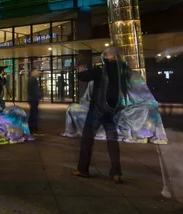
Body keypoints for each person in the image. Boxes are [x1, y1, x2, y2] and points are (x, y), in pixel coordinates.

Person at [70, 47, 167, 183]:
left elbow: (83, 77)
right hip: (112, 110)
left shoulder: (101, 70)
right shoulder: (124, 72)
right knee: (112, 141)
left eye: (107, 53)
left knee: (87, 139)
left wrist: (80, 71)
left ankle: (83, 169)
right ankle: (116, 173)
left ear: (110, 56)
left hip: (97, 110)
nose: (105, 55)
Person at [27, 69, 42, 134]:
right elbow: (34, 90)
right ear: (32, 72)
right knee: (34, 114)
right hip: (33, 99)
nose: (38, 73)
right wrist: (38, 96)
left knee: (33, 113)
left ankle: (31, 127)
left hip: (32, 99)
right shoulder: (32, 80)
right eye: (37, 71)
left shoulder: (31, 79)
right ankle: (34, 128)